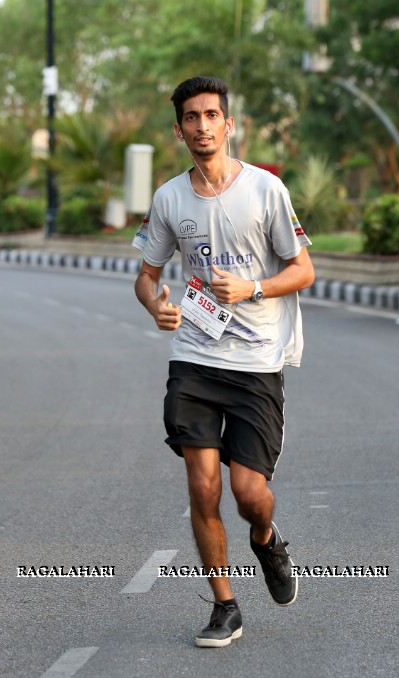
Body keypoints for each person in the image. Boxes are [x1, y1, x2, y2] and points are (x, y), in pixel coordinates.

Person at [132, 76, 315, 648]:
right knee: (202, 487)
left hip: (257, 361)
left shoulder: (265, 191)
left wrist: (253, 289)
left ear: (228, 124)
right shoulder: (169, 198)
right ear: (180, 128)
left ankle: (266, 538)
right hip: (194, 356)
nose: (203, 125)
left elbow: (303, 270)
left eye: (212, 115)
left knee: (247, 494)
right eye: (192, 117)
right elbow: (146, 275)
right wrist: (155, 306)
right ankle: (224, 605)